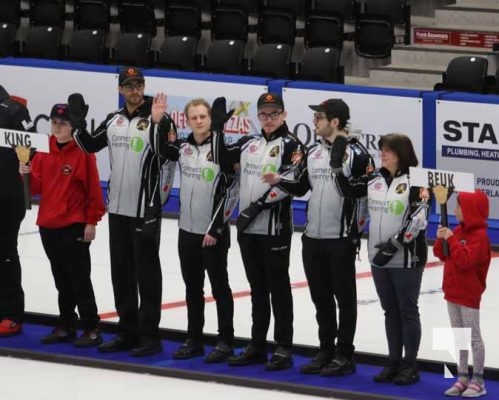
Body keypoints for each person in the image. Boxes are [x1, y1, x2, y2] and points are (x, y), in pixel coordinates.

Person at [262, 99, 373, 376]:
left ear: (335, 122)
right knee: (320, 297)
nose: (315, 121)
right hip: (312, 237)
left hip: (341, 238)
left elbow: (362, 192)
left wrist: (354, 232)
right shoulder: (312, 151)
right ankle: (325, 349)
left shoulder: (358, 154)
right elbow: (301, 187)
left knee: (344, 299)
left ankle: (345, 353)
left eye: (319, 117)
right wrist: (279, 181)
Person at [70, 67, 176, 357]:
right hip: (117, 209)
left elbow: (170, 155)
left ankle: (150, 336)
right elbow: (90, 145)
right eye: (128, 85)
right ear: (120, 89)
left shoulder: (160, 117)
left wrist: (155, 123)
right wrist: (77, 124)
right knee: (122, 273)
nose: (134, 90)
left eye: (138, 84)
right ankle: (128, 331)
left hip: (146, 209)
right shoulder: (113, 120)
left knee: (147, 275)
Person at [213, 92, 304, 371]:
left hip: (274, 228)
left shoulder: (292, 145)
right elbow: (222, 159)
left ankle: (283, 347)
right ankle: (257, 344)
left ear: (284, 115)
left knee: (278, 287)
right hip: (248, 228)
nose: (268, 119)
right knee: (257, 289)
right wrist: (218, 129)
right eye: (264, 115)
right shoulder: (249, 142)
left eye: (274, 114)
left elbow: (294, 181)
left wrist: (256, 207)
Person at [20, 103, 105, 347]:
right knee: (61, 279)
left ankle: (92, 327)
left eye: (63, 123)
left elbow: (93, 192)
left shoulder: (84, 153)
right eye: (54, 122)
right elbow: (36, 188)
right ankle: (66, 324)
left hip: (74, 224)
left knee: (79, 278)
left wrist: (91, 221)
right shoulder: (44, 150)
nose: (57, 127)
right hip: (48, 223)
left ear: (73, 126)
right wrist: (24, 172)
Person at [165, 98, 239, 363]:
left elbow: (232, 191)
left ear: (210, 119)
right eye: (193, 117)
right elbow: (160, 151)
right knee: (192, 289)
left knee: (220, 288)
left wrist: (216, 228)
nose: (198, 121)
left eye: (203, 117)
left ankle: (225, 341)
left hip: (213, 233)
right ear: (187, 121)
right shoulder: (183, 148)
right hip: (187, 230)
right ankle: (194, 338)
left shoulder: (224, 151)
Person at [368, 133, 430, 385]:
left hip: (406, 258)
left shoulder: (417, 182)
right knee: (389, 311)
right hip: (378, 259)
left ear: (402, 154)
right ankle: (393, 361)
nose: (382, 153)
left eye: (388, 150)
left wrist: (392, 247)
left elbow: (419, 219)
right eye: (381, 149)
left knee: (407, 310)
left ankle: (410, 364)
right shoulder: (374, 180)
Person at [434, 190, 490, 397]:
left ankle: (478, 379)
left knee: (473, 336)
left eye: (459, 207)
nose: (455, 210)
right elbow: (441, 254)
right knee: (459, 337)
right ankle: (462, 376)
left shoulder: (480, 238)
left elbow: (466, 261)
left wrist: (453, 240)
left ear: (471, 211)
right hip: (452, 292)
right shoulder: (457, 230)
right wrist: (442, 239)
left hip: (469, 295)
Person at [0, 85, 34, 337]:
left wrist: (23, 161)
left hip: (8, 195)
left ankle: (11, 313)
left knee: (6, 251)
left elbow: (30, 147)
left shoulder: (13, 110)